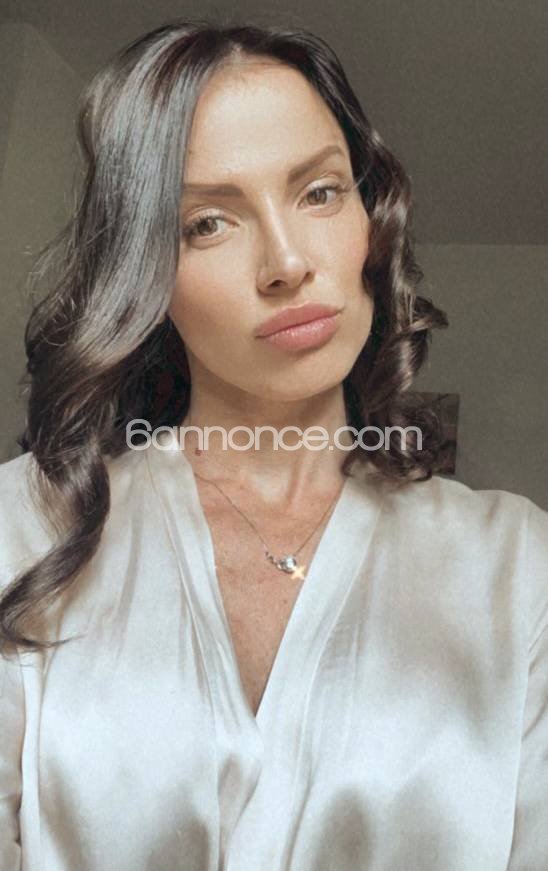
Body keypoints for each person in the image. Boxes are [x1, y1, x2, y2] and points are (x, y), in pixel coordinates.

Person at [0, 20, 546, 871]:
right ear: (146, 271)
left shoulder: (518, 565)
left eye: (319, 192)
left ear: (371, 218)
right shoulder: (24, 528)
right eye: (208, 223)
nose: (287, 262)